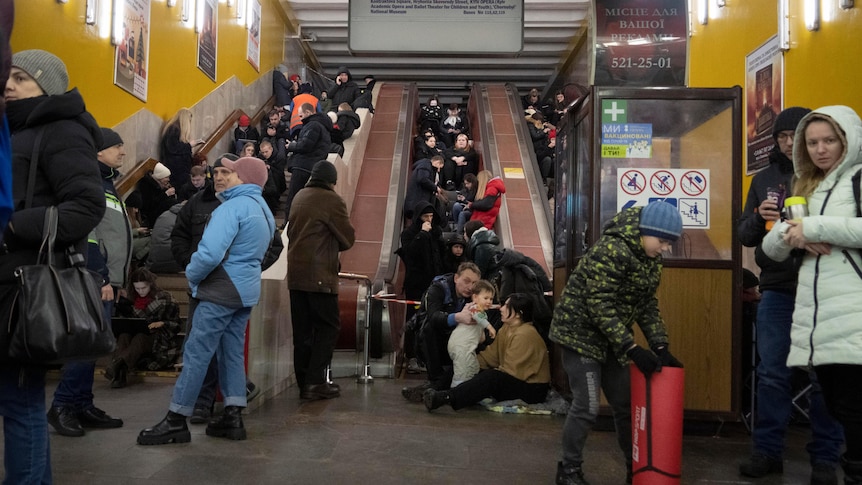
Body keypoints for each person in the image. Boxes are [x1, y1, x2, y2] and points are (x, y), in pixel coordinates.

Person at [1, 48, 105, 483]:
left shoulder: (62, 130)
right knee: (16, 401)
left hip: (27, 292)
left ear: (48, 86)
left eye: (21, 78)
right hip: (9, 286)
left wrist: (10, 228)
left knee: (21, 402)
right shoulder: (14, 132)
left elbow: (85, 206)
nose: (8, 84)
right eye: (7, 75)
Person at [737, 106, 843, 484]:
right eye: (781, 137)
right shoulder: (765, 177)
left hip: (825, 287)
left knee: (825, 376)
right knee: (771, 375)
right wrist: (757, 217)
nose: (786, 142)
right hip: (778, 288)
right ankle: (767, 452)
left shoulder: (831, 178)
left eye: (792, 136)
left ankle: (826, 459)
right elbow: (746, 236)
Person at [138, 156, 274, 445]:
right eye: (219, 172)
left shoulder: (231, 208)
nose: (220, 177)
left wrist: (192, 274)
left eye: (229, 172)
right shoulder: (263, 209)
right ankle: (233, 416)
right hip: (244, 290)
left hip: (220, 289)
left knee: (197, 352)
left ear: (245, 178)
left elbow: (210, 254)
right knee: (231, 352)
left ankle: (176, 419)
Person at [762, 105, 862, 484]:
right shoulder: (805, 186)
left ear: (848, 140)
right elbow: (771, 249)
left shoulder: (858, 179)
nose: (821, 149)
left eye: (830, 141)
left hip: (853, 311)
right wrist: (796, 234)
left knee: (852, 410)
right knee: (836, 402)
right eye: (813, 142)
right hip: (817, 318)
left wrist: (816, 227)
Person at [551, 201, 684, 485]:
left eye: (670, 243)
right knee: (587, 406)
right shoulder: (612, 249)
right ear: (645, 232)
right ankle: (569, 471)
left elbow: (646, 303)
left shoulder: (650, 258)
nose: (665, 248)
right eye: (663, 241)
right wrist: (633, 348)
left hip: (612, 339)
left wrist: (660, 345)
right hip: (580, 334)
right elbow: (599, 304)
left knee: (625, 405)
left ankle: (635, 469)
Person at [47, 127, 129, 438]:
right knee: (86, 343)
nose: (122, 152)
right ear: (99, 151)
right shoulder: (91, 182)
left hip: (105, 278)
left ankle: (82, 403)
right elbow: (88, 233)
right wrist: (102, 275)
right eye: (117, 147)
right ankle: (63, 404)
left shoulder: (106, 182)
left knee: (94, 344)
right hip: (94, 277)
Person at [287, 160, 356, 400]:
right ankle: (315, 382)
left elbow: (289, 232)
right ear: (331, 181)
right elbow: (347, 239)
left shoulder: (299, 196)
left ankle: (304, 382)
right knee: (328, 328)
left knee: (303, 332)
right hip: (319, 276)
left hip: (295, 276)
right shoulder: (331, 200)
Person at [425, 292, 550, 411]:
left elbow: (513, 372)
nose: (501, 308)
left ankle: (447, 397)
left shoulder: (525, 334)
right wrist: (469, 362)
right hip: (512, 376)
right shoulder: (507, 328)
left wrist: (483, 376)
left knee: (491, 378)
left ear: (518, 314)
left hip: (532, 388)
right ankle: (434, 389)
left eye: (506, 306)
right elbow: (491, 356)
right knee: (466, 361)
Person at [401, 262, 482, 402]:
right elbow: (433, 316)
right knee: (429, 329)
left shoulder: (475, 295)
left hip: (457, 341)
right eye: (466, 281)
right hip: (431, 340)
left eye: (474, 283)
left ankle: (434, 388)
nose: (470, 287)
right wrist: (458, 317)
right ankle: (437, 382)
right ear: (456, 278)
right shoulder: (438, 288)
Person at [106, 268, 183, 388]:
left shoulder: (164, 299)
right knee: (124, 336)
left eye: (144, 288)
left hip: (158, 339)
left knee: (140, 338)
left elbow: (177, 325)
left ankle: (116, 366)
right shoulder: (131, 300)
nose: (141, 291)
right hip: (134, 334)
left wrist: (162, 323)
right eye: (137, 288)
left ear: (151, 285)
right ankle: (120, 371)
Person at [396, 201, 446, 376]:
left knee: (433, 320)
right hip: (416, 285)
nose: (429, 220)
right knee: (414, 320)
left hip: (434, 285)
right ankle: (412, 356)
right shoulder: (409, 234)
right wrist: (423, 234)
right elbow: (410, 253)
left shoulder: (436, 233)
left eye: (431, 217)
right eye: (426, 217)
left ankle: (430, 357)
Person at [284, 103, 331, 221]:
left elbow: (305, 145)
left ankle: (289, 223)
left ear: (308, 113)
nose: (300, 119)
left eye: (301, 116)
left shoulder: (313, 125)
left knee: (294, 198)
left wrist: (291, 146)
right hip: (310, 166)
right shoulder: (322, 126)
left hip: (303, 166)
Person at [447, 280, 497, 388]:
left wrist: (482, 337)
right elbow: (478, 317)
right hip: (461, 346)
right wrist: (489, 327)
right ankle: (456, 393)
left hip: (468, 347)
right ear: (475, 297)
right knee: (462, 373)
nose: (489, 301)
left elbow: (479, 333)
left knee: (473, 368)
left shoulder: (482, 313)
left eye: (491, 299)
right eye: (485, 298)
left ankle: (468, 392)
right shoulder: (473, 307)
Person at [126, 161, 178, 229]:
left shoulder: (160, 184)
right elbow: (150, 204)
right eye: (166, 177)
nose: (168, 179)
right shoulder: (146, 185)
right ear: (160, 177)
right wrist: (166, 194)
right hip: (150, 215)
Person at [160, 107, 203, 189]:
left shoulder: (172, 129)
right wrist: (189, 145)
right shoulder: (174, 129)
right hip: (176, 173)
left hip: (177, 172)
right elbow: (173, 148)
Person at [404, 155, 445, 220]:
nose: (438, 170)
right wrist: (435, 188)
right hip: (417, 201)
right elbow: (422, 179)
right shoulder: (426, 165)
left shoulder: (424, 166)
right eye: (439, 167)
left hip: (416, 201)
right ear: (437, 162)